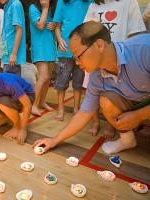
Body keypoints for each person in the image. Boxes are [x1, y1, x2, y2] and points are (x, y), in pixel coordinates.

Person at [33, 21, 150, 155]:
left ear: (99, 45)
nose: (77, 63)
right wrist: (54, 140)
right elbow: (84, 113)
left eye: (78, 56)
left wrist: (139, 116)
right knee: (106, 101)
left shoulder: (144, 49)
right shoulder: (96, 76)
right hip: (137, 102)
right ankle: (127, 140)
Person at [83, 0, 146, 136]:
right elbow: (86, 33)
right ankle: (99, 122)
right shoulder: (94, 6)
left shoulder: (128, 2)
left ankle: (123, 123)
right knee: (94, 93)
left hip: (120, 60)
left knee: (120, 92)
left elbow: (136, 33)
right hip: (95, 59)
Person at [52, 0, 92, 121]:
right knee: (61, 80)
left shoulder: (89, 2)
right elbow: (57, 27)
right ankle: (60, 108)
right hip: (65, 49)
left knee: (79, 81)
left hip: (82, 50)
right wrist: (59, 40)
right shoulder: (62, 2)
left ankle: (76, 108)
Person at [29, 0, 57, 116]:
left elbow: (52, 26)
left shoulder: (51, 8)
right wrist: (45, 8)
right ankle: (33, 105)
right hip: (39, 47)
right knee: (43, 76)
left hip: (50, 46)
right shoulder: (33, 8)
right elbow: (40, 26)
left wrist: (54, 25)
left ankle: (41, 102)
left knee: (48, 77)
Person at [0, 0, 26, 76]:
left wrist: (13, 54)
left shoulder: (15, 4)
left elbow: (19, 30)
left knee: (12, 86)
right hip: (7, 56)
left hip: (12, 57)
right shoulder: (6, 5)